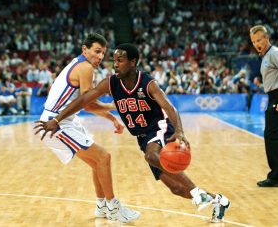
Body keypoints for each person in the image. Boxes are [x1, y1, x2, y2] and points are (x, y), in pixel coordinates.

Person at [35, 43, 231, 223]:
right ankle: (218, 201)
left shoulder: (147, 83)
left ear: (133, 62)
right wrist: (56, 119)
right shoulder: (110, 83)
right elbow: (84, 100)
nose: (115, 64)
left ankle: (198, 192)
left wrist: (179, 130)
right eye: (114, 60)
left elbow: (170, 108)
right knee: (177, 188)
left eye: (120, 60)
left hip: (159, 128)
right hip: (142, 136)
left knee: (151, 155)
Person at [34, 34, 140, 223]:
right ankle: (114, 208)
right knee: (104, 157)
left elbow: (86, 103)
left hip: (63, 120)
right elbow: (88, 104)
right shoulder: (85, 68)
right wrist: (114, 108)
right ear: (85, 50)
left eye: (103, 54)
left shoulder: (79, 63)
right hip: (56, 123)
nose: (100, 57)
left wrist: (112, 118)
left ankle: (102, 206)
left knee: (97, 162)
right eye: (97, 51)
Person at [250, 25, 278, 187]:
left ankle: (275, 177)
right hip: (272, 96)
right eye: (254, 41)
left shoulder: (274, 53)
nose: (256, 44)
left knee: (271, 137)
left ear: (266, 38)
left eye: (259, 40)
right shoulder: (266, 55)